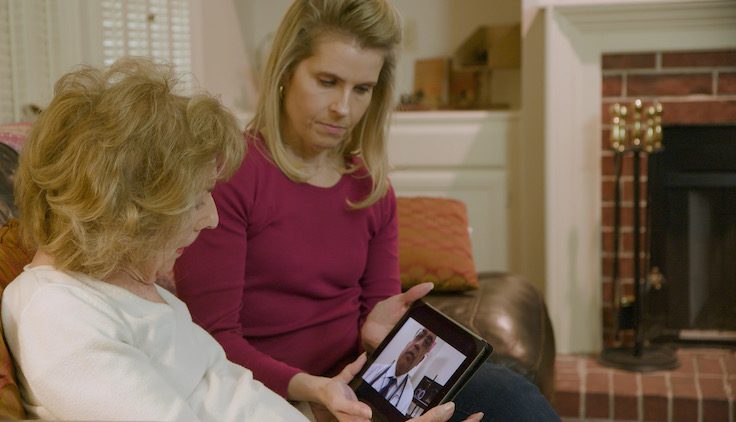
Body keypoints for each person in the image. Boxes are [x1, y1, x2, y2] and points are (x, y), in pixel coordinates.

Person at [174, 0, 559, 421]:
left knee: (511, 398)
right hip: (276, 395)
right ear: (286, 72)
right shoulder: (232, 175)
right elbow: (212, 338)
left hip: (363, 386)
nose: (344, 107)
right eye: (327, 81)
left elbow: (377, 318)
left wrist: (379, 331)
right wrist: (315, 393)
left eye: (362, 89)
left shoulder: (370, 188)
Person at [0, 58, 312, 421]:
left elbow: (229, 394)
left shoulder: (123, 283)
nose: (211, 219)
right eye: (195, 201)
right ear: (124, 211)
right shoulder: (59, 317)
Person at [364, 328, 437, 414]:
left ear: (420, 361)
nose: (418, 344)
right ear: (406, 346)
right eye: (420, 335)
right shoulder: (374, 369)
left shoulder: (408, 395)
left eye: (427, 342)